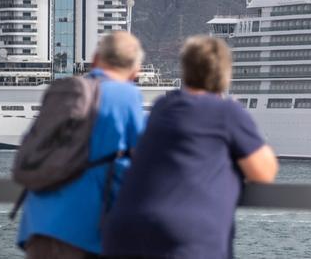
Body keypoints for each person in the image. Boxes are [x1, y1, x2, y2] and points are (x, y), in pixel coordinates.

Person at [102, 35, 278, 259]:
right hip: (184, 238)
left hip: (124, 232)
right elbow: (264, 173)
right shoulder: (227, 112)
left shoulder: (162, 107)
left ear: (185, 70)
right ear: (224, 74)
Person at [18, 31, 148, 259]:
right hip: (84, 230)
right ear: (135, 71)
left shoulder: (65, 90)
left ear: (95, 60)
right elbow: (140, 165)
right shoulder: (127, 96)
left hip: (36, 225)